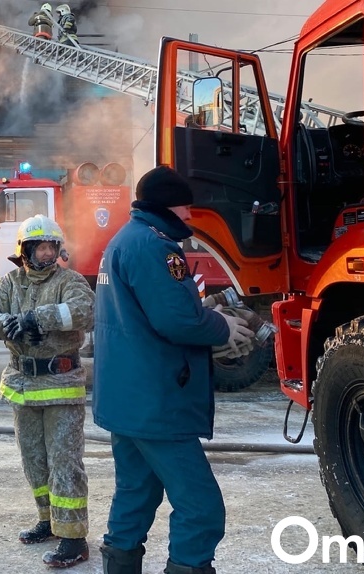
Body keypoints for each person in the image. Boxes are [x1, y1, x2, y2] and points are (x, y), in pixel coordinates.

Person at [92, 166, 253, 574]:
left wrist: (204, 313)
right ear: (167, 204)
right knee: (200, 508)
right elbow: (176, 319)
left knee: (135, 493)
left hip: (128, 400)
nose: (190, 215)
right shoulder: (156, 247)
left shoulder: (123, 241)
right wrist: (222, 326)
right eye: (185, 205)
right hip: (156, 401)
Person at [0, 215, 94, 569]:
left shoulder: (70, 281)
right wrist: (10, 327)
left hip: (61, 386)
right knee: (34, 461)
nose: (48, 253)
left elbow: (86, 311)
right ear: (25, 251)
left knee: (65, 463)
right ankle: (48, 521)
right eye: (41, 247)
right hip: (22, 387)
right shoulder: (9, 283)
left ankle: (74, 538)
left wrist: (37, 319)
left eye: (52, 247)